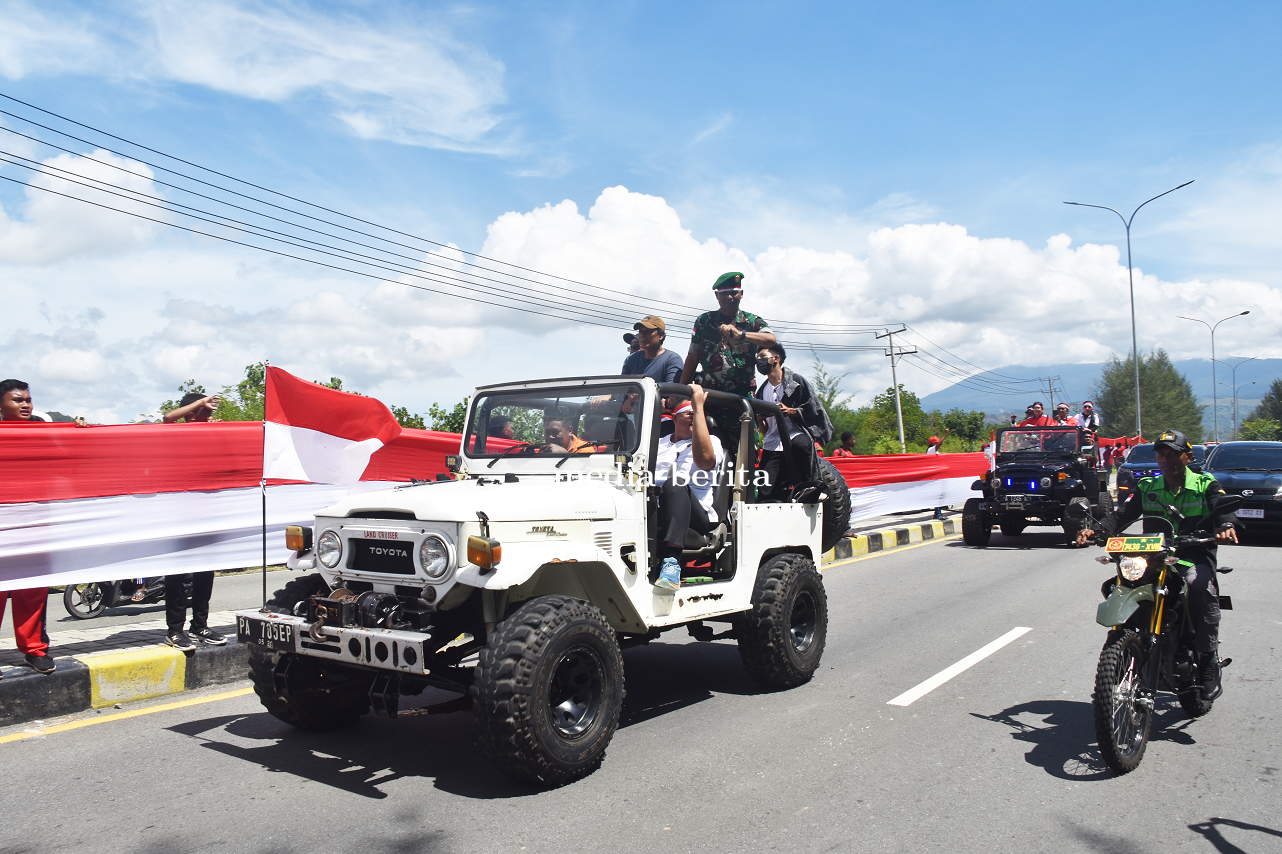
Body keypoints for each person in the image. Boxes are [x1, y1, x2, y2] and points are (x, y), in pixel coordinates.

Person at [1075, 429, 1237, 701]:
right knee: (1117, 584)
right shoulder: (1148, 486)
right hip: (1154, 556)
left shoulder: (1205, 483)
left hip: (1191, 554)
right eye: (1161, 453)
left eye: (1172, 453)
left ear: (1187, 456)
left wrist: (1226, 525)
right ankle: (1126, 648)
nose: (1165, 459)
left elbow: (1222, 506)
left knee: (1198, 586)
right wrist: (1097, 529)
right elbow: (1123, 515)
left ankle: (1207, 661)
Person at [653, 388, 724, 590]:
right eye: (689, 414)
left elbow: (705, 462)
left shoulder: (711, 442)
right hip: (654, 506)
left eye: (698, 415)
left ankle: (671, 562)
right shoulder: (658, 445)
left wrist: (698, 407)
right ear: (674, 419)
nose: (695, 418)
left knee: (674, 482)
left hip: (695, 512)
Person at [753, 343, 832, 502]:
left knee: (801, 445)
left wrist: (792, 411)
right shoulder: (762, 391)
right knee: (766, 485)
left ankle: (811, 487)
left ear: (776, 358)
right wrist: (760, 420)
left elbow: (815, 410)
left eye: (762, 357)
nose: (758, 361)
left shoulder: (796, 382)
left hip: (796, 432)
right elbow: (766, 430)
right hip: (773, 441)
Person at [680, 272, 777, 397]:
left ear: (741, 294)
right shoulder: (704, 321)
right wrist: (680, 390)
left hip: (742, 398)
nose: (729, 297)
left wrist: (741, 335)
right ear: (716, 295)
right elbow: (693, 357)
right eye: (724, 293)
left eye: (733, 292)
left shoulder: (751, 321)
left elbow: (771, 339)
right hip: (710, 395)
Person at [621, 316, 683, 384]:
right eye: (640, 331)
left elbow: (673, 391)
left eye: (648, 331)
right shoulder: (631, 359)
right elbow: (621, 388)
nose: (642, 335)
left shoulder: (672, 359)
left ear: (661, 335)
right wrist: (629, 392)